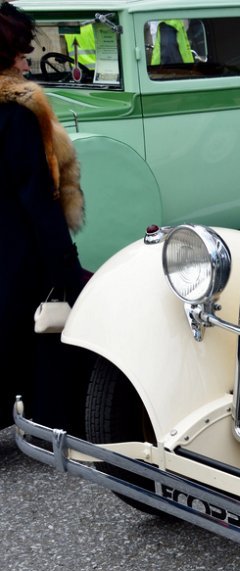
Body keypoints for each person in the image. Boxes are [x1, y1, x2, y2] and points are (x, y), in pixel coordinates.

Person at [0, 1, 87, 432]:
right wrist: (67, 266)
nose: (25, 58)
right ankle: (50, 421)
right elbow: (37, 197)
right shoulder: (17, 113)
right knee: (44, 333)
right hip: (17, 251)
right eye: (19, 51)